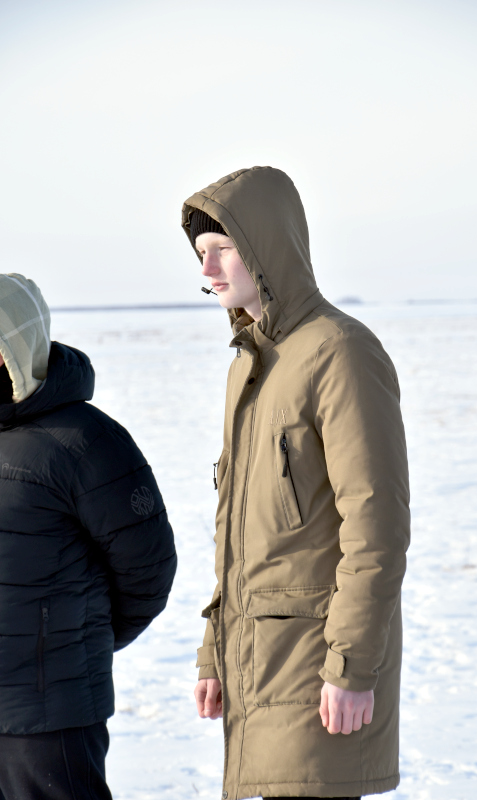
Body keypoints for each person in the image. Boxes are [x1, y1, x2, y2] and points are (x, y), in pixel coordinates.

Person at [182, 167, 411, 800]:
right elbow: (239, 536)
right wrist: (215, 651)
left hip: (318, 666)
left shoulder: (341, 352)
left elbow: (376, 527)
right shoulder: (251, 365)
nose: (208, 268)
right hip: (259, 660)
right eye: (201, 253)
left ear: (267, 245)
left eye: (223, 247)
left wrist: (352, 665)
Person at [0, 273, 177, 800]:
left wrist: (78, 640)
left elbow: (148, 569)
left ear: (13, 349)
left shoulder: (86, 441)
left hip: (47, 714)